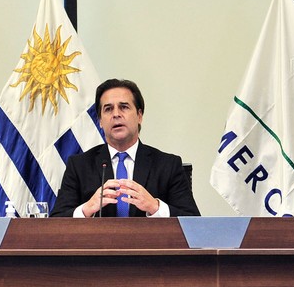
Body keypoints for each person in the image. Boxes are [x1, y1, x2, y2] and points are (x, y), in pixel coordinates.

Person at [51, 78, 200, 217]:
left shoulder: (167, 165)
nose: (116, 114)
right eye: (108, 109)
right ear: (100, 121)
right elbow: (55, 223)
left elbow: (194, 223)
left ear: (139, 115)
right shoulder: (79, 166)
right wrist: (87, 209)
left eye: (124, 107)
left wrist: (155, 207)